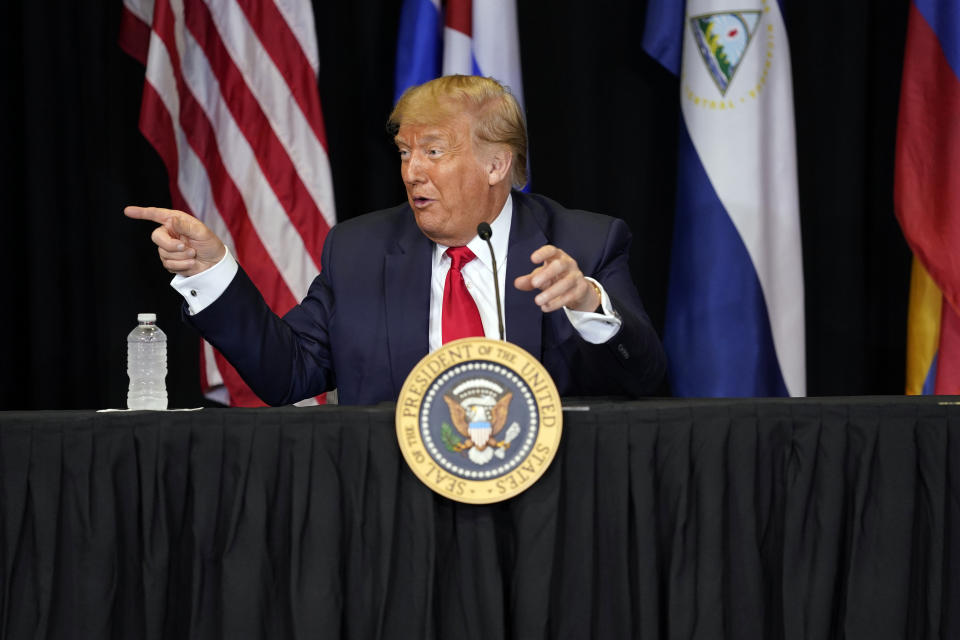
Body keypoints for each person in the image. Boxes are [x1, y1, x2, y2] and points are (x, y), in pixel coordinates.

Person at [125, 75, 666, 405]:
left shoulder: (583, 244)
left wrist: (589, 303)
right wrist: (214, 271)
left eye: (433, 151)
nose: (412, 172)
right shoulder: (359, 251)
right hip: (392, 513)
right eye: (406, 153)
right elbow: (286, 373)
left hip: (545, 507)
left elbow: (645, 378)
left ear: (496, 163)